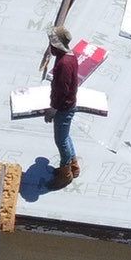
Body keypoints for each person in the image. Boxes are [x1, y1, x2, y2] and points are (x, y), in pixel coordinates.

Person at [42, 26, 84, 188]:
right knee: (65, 137)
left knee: (61, 140)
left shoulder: (64, 63)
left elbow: (62, 90)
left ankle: (65, 174)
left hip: (64, 107)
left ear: (56, 45)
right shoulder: (69, 56)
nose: (49, 47)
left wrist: (53, 109)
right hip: (67, 105)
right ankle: (73, 165)